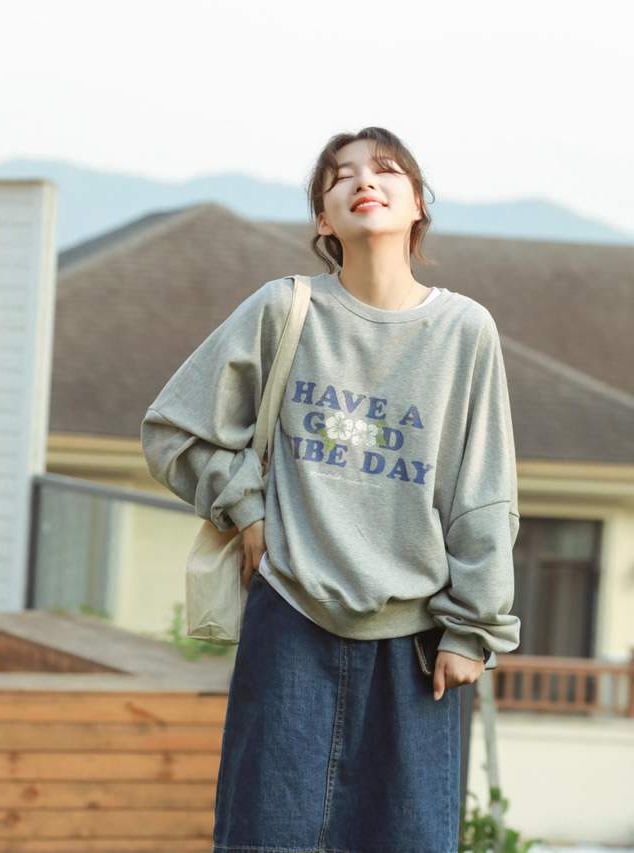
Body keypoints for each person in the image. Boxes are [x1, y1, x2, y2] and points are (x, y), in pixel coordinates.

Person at [140, 126, 521, 853]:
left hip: (417, 645)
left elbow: (483, 491)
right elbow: (175, 430)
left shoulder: (464, 331)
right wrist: (246, 509)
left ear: (418, 204)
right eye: (341, 176)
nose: (363, 181)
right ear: (323, 218)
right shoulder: (285, 310)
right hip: (290, 623)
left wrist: (475, 627)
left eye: (386, 170)